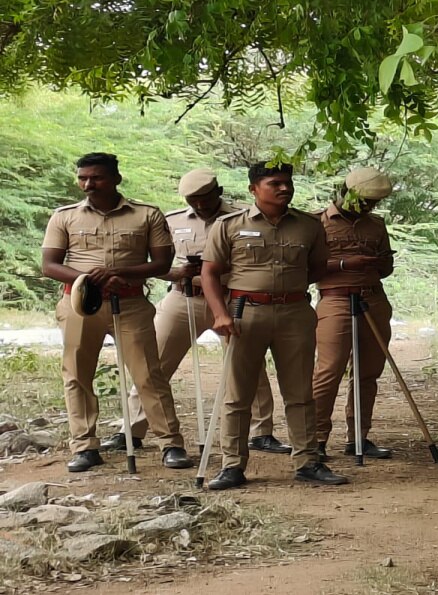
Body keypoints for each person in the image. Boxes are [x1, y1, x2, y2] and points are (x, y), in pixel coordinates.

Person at [103, 169, 288, 455]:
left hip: (231, 298)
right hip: (183, 297)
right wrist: (176, 272)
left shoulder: (243, 217)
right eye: (193, 200)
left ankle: (261, 431)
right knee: (153, 363)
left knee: (247, 365)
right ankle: (133, 430)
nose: (199, 205)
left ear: (219, 191)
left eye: (205, 198)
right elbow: (155, 263)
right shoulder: (172, 220)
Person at [40, 152, 192, 472]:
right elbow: (49, 265)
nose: (88, 184)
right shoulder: (64, 216)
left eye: (96, 178)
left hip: (131, 301)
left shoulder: (146, 214)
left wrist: (119, 271)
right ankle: (84, 446)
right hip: (79, 303)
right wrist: (86, 278)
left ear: (116, 179)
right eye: (82, 178)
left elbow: (162, 263)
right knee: (77, 375)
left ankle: (171, 444)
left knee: (149, 374)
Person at [201, 162, 347, 489]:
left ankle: (308, 461)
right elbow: (209, 273)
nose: (284, 188)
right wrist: (220, 314)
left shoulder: (309, 225)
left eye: (288, 183)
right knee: (238, 393)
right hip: (245, 312)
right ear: (254, 188)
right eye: (275, 183)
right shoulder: (228, 225)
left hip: (295, 312)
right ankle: (232, 465)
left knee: (299, 392)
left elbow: (317, 268)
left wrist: (287, 290)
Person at [312, 167, 396, 461]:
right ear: (346, 192)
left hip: (373, 300)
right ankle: (316, 439)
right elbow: (307, 270)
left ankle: (358, 437)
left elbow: (386, 268)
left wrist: (377, 262)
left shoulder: (376, 225)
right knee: (329, 371)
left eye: (374, 203)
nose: (369, 207)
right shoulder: (316, 223)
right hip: (335, 300)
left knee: (368, 372)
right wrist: (346, 264)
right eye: (365, 201)